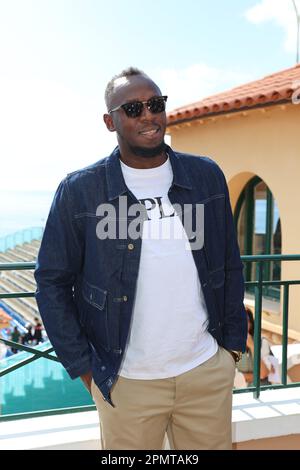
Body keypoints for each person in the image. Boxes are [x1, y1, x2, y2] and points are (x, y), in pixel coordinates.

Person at [34, 67, 247, 450]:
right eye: (132, 108)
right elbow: (51, 281)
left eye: (155, 104)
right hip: (127, 382)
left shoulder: (205, 176)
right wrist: (84, 367)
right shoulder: (82, 190)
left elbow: (230, 263)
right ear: (109, 121)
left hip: (204, 372)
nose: (148, 115)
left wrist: (230, 350)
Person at [236, 307, 274, 386]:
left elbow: (264, 373)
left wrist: (252, 346)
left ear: (251, 324)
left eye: (247, 321)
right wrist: (257, 376)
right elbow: (232, 377)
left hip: (262, 389)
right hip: (240, 391)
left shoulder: (262, 342)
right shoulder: (230, 344)